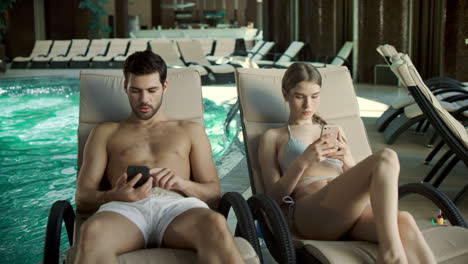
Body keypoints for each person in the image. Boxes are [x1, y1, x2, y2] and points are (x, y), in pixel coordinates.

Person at [74, 50, 244, 264]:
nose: (144, 99)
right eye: (136, 91)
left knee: (216, 224)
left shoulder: (189, 131)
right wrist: (112, 195)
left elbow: (213, 193)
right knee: (92, 230)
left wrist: (182, 184)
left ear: (164, 87)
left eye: (152, 90)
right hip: (125, 209)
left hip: (177, 207)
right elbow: (82, 198)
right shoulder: (105, 133)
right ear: (125, 87)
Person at [258, 62, 436, 264]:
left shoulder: (334, 131)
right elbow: (272, 197)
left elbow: (362, 185)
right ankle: (390, 255)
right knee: (386, 157)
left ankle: (393, 255)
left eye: (314, 96)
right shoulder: (273, 137)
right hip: (311, 214)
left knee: (404, 221)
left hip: (346, 213)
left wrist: (347, 160)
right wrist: (302, 162)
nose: (308, 105)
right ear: (285, 94)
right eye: (300, 97)